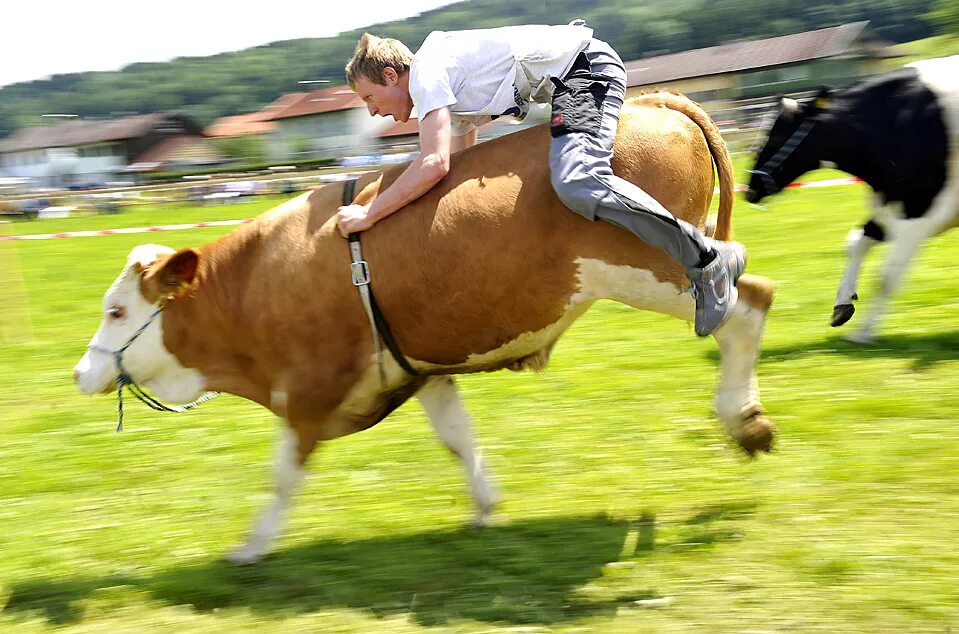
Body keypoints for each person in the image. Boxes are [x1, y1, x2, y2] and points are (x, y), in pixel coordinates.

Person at [337, 22, 746, 336]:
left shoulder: (427, 73)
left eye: (370, 98)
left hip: (584, 72)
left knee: (578, 182)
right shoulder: (443, 94)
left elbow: (433, 164)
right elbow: (454, 175)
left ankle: (708, 259)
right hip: (573, 82)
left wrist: (369, 214)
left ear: (392, 76)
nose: (372, 112)